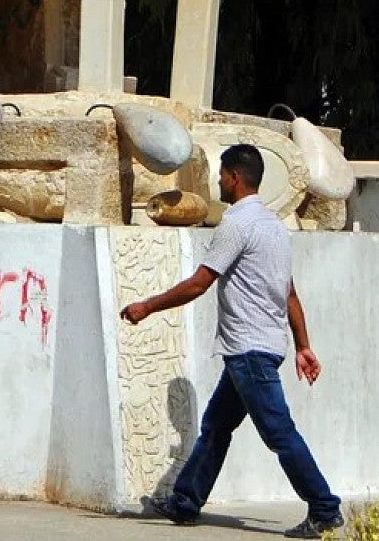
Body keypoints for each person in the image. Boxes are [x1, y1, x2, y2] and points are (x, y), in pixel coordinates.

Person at [119, 144, 343, 539]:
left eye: (222, 175)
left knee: (279, 432)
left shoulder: (237, 224)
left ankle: (324, 508)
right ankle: (186, 502)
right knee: (217, 426)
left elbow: (199, 283)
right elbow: (289, 294)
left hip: (249, 351)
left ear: (235, 178)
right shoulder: (274, 226)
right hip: (263, 348)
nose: (218, 181)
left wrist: (148, 306)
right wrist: (303, 346)